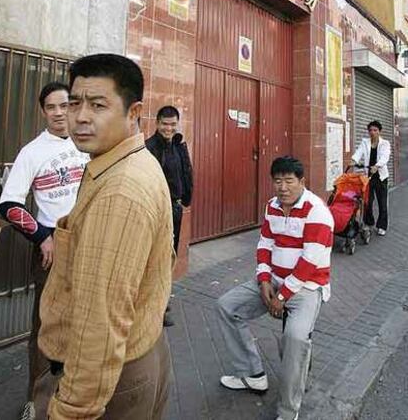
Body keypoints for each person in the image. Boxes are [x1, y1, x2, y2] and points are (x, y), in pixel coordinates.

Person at [33, 54, 173, 420]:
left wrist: (73, 410)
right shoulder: (123, 162)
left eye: (98, 105)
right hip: (136, 354)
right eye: (74, 102)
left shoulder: (121, 191)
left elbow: (101, 320)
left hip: (108, 380)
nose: (79, 116)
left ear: (134, 112)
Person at [217, 156, 334, 420]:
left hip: (306, 288)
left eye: (289, 181)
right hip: (275, 283)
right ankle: (252, 374)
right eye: (277, 181)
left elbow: (309, 262)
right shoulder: (272, 206)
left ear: (302, 181)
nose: (282, 187)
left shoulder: (317, 211)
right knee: (227, 306)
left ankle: (288, 409)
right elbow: (264, 244)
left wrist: (282, 296)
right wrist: (264, 280)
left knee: (294, 338)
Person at [0, 82, 88, 420]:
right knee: (45, 327)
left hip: (89, 244)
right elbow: (8, 203)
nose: (60, 113)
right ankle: (36, 400)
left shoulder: (87, 143)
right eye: (52, 107)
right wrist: (41, 237)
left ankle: (76, 395)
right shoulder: (32, 151)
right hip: (52, 248)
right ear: (43, 111)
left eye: (65, 105)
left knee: (84, 322)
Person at [146, 105, 193, 255]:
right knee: (157, 255)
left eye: (173, 124)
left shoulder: (178, 146)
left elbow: (186, 174)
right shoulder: (149, 148)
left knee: (171, 253)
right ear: (157, 123)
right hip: (158, 211)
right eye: (165, 124)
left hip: (176, 209)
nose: (169, 128)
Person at [352, 120, 391, 236]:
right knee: (367, 202)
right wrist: (353, 160)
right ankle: (369, 222)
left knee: (382, 203)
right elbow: (359, 152)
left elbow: (385, 157)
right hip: (369, 177)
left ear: (379, 131)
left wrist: (377, 166)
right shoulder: (365, 142)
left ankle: (382, 226)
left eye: (375, 130)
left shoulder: (385, 144)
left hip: (381, 177)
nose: (372, 132)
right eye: (370, 130)